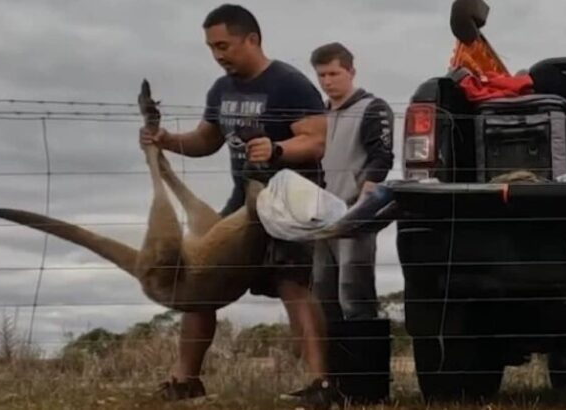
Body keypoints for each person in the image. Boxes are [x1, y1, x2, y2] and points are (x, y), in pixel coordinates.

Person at [139, 5, 336, 408]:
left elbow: (317, 140)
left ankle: (322, 385)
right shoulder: (221, 90)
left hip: (288, 198)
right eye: (212, 48)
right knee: (200, 283)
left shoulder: (290, 84)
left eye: (224, 45)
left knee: (293, 285)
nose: (218, 55)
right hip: (240, 199)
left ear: (252, 39)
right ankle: (185, 380)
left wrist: (278, 148)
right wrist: (165, 139)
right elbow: (205, 140)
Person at [309, 42, 394, 321]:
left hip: (353, 212)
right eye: (321, 75)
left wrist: (362, 206)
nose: (327, 81)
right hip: (320, 216)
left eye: (334, 74)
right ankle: (332, 363)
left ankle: (363, 362)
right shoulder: (317, 115)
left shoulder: (373, 108)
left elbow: (381, 158)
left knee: (353, 293)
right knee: (321, 293)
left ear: (351, 71)